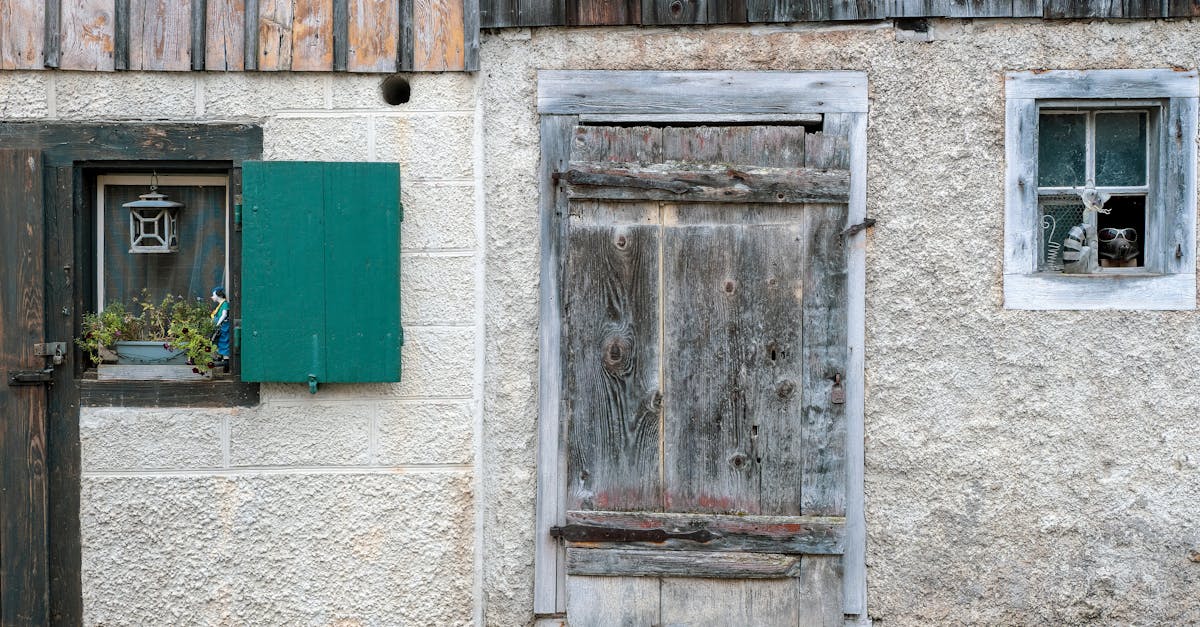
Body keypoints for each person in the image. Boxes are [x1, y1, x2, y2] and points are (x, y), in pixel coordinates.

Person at [210, 287, 231, 367]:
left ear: (218, 295)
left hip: (223, 327)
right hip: (220, 327)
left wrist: (218, 324)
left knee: (224, 341)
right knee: (218, 341)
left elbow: (224, 315)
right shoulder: (220, 305)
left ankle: (226, 359)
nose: (212, 297)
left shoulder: (225, 304)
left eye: (213, 295)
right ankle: (221, 357)